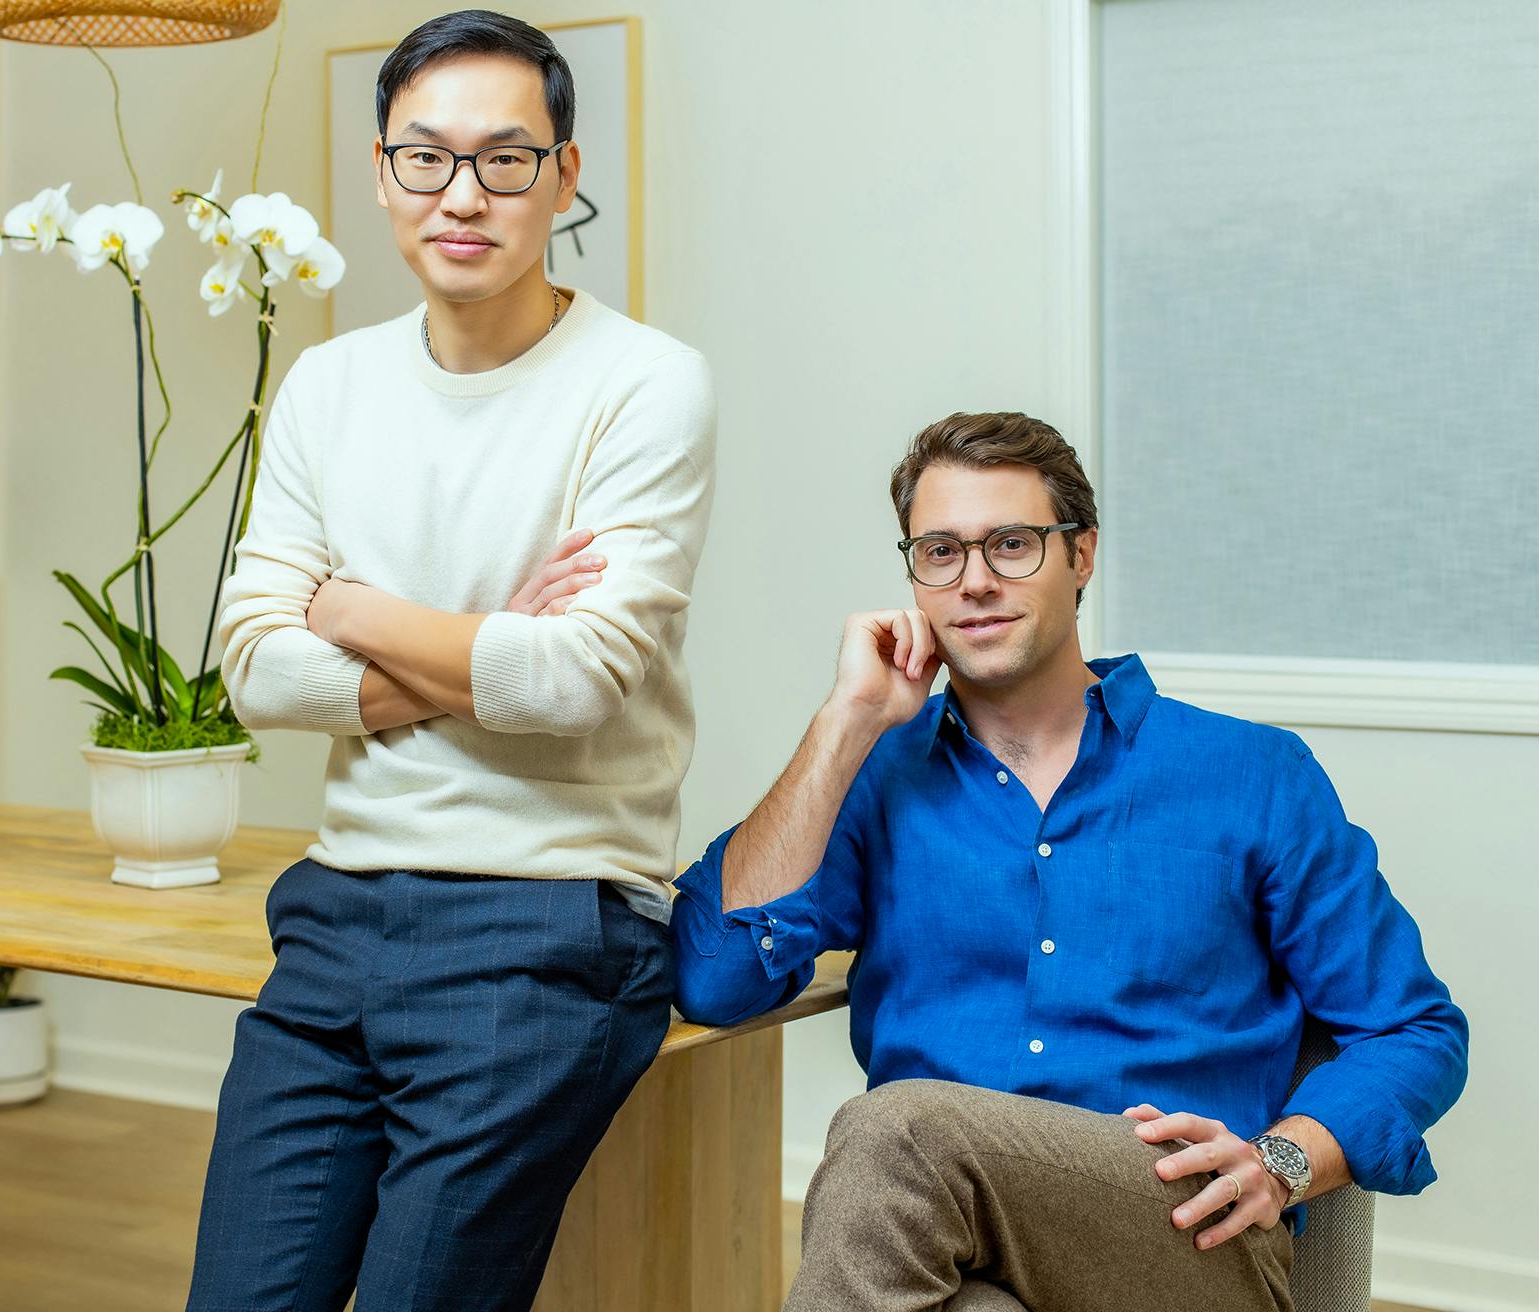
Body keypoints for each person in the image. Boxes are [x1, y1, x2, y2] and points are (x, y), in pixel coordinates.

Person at [670, 411, 1466, 1311]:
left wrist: (1282, 1163)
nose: (974, 582)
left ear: (1081, 555)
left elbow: (1414, 1029)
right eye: (939, 552)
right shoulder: (874, 780)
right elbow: (715, 978)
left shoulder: (1250, 774)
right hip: (954, 1237)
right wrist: (844, 722)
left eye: (1011, 545)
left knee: (898, 1129)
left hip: (1182, 1234)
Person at [188, 11, 716, 1311]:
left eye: (504, 158)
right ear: (382, 175)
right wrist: (486, 639)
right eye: (424, 159)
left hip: (546, 927)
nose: (461, 194)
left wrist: (352, 607)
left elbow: (578, 680)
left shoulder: (646, 384)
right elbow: (249, 666)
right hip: (331, 919)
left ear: (564, 174)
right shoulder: (327, 384)